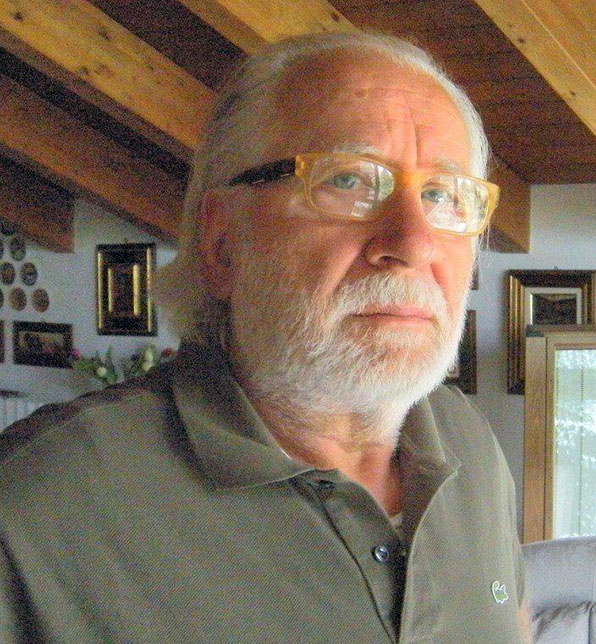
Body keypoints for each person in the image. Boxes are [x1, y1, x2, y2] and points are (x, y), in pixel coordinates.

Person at [0, 32, 530, 643]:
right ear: (222, 243)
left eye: (441, 195)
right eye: (350, 181)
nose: (414, 243)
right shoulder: (37, 506)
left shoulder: (470, 443)